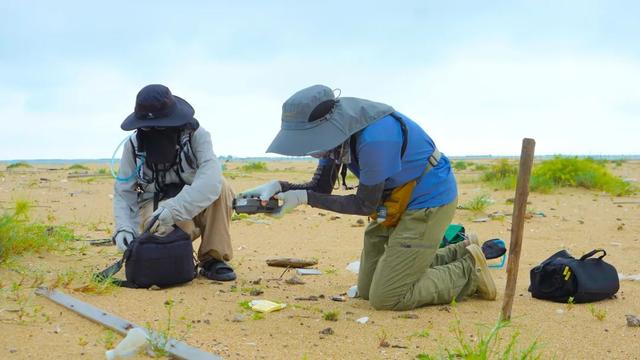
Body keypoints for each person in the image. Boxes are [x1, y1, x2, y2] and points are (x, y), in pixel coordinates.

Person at [240, 85, 496, 310]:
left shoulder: (375, 138)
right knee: (367, 289)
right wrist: (281, 187)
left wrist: (304, 198)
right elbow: (320, 188)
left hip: (426, 202)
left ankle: (470, 268)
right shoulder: (335, 139)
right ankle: (460, 249)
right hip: (393, 202)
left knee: (388, 297)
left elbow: (365, 204)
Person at [112, 84, 236, 281]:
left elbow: (210, 181)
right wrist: (124, 228)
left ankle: (213, 259)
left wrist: (174, 208)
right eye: (149, 126)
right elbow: (123, 191)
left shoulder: (197, 135)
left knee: (221, 186)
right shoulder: (133, 145)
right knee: (164, 234)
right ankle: (178, 256)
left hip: (192, 202)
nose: (155, 131)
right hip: (155, 205)